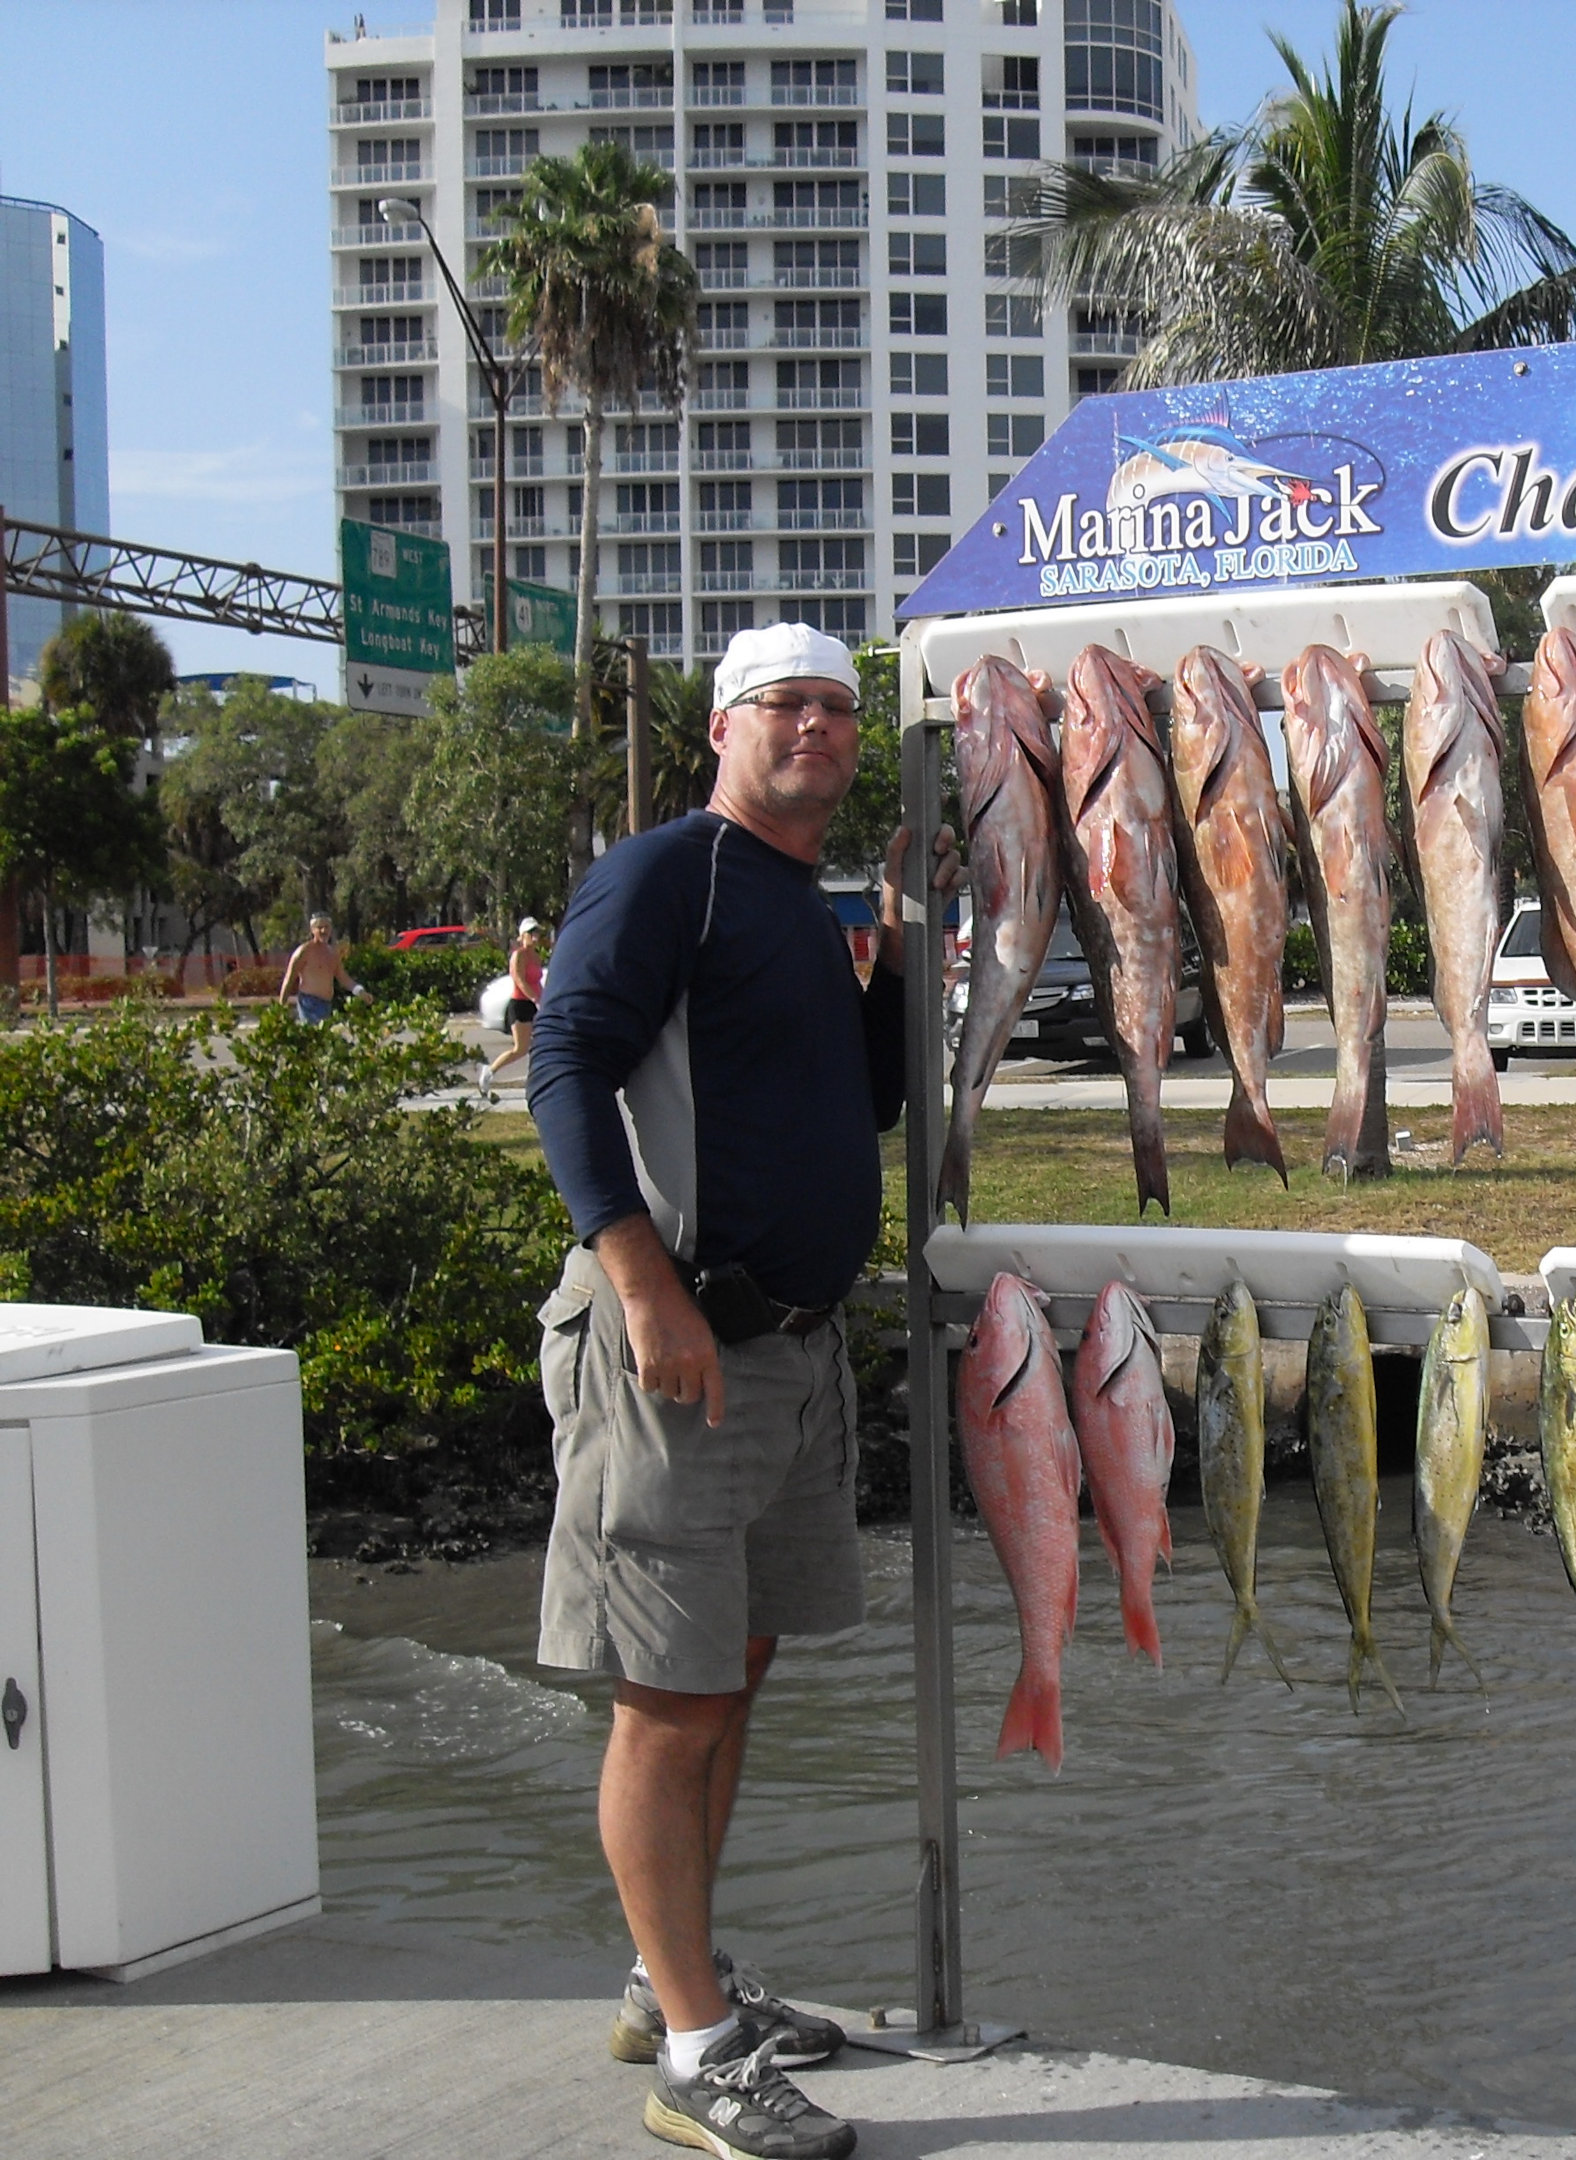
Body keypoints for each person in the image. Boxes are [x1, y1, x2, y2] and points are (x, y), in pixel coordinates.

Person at [527, 622, 954, 2160]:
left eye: (842, 709)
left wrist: (900, 946)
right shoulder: (669, 873)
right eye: (792, 706)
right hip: (678, 1352)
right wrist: (642, 1285)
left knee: (737, 1671)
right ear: (725, 726)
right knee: (672, 1696)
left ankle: (672, 1979)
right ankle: (699, 2058)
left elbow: (870, 1096)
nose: (824, 730)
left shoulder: (800, 899)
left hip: (789, 1350)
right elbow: (564, 1063)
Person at [482, 916, 549, 1085]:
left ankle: (539, 1077)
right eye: (531, 933)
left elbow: (536, 982)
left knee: (543, 1042)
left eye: (537, 933)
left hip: (534, 1004)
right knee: (520, 1049)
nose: (535, 937)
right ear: (523, 935)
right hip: (520, 1005)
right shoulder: (518, 956)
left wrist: (544, 1000)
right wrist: (534, 998)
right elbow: (520, 980)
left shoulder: (535, 956)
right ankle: (490, 1071)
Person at [277, 914, 367, 1022]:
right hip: (309, 1003)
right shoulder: (304, 951)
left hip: (326, 1005)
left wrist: (359, 991)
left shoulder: (332, 953)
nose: (323, 930)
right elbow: (289, 978)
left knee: (324, 1037)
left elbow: (343, 977)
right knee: (314, 1036)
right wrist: (281, 1007)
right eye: (319, 927)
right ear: (312, 930)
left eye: (326, 927)